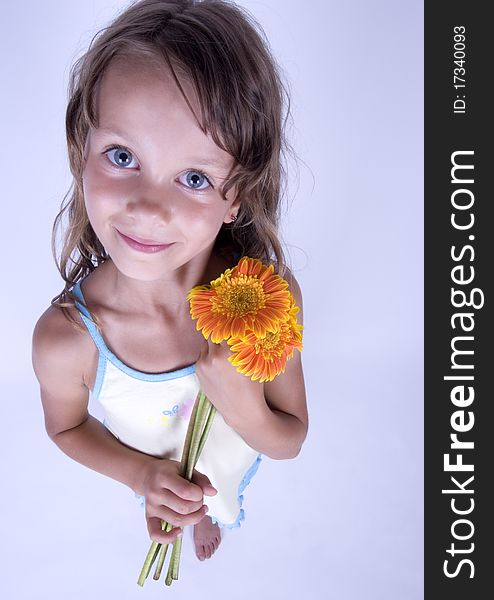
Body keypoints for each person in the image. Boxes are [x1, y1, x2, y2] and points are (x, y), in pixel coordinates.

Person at [32, 0, 308, 563]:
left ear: (238, 195)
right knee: (175, 501)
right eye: (122, 155)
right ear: (80, 149)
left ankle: (215, 515)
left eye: (194, 177)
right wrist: (143, 476)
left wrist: (243, 405)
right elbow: (66, 429)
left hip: (229, 455)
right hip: (155, 470)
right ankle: (181, 509)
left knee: (216, 496)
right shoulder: (67, 341)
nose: (149, 208)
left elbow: (288, 439)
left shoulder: (265, 299)